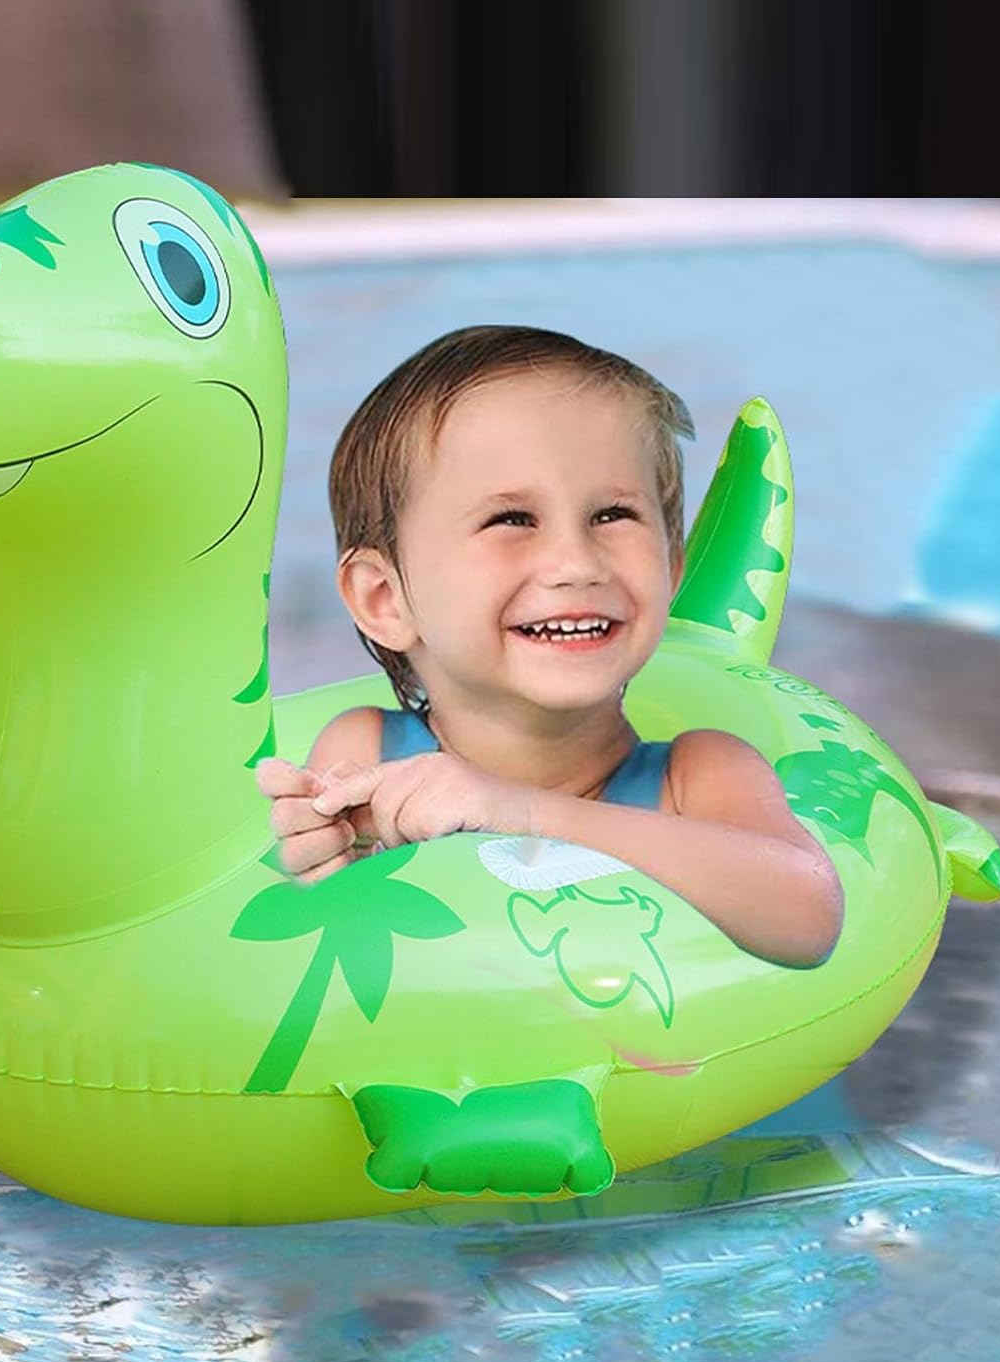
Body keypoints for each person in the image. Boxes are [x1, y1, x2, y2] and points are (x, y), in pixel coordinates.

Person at [255, 326, 843, 968]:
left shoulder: (698, 776)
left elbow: (807, 916)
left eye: (613, 515)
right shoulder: (367, 752)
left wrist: (521, 812)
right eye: (511, 520)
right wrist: (320, 854)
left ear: (671, 569)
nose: (576, 563)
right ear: (385, 600)